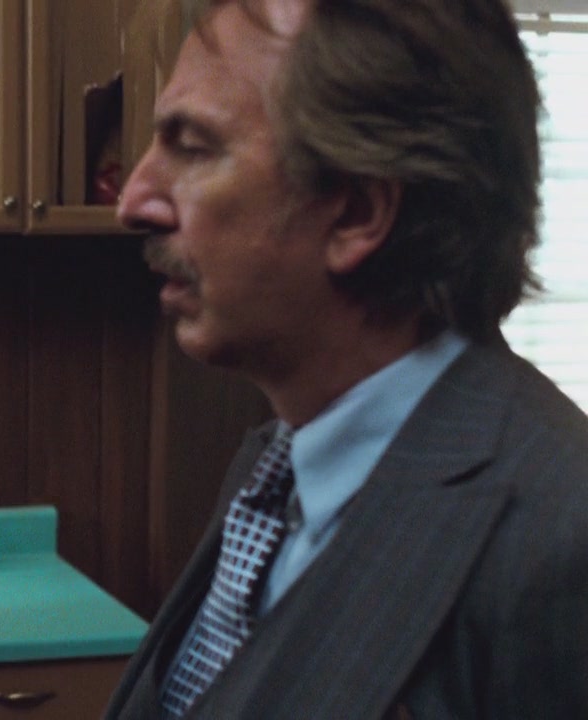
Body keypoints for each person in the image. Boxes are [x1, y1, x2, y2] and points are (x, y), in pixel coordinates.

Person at [105, 0, 588, 718]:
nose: (134, 200)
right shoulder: (272, 470)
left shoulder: (558, 541)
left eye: (194, 147)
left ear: (358, 213)